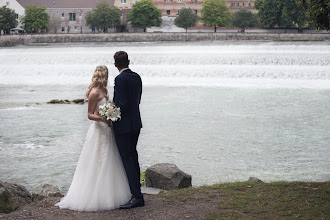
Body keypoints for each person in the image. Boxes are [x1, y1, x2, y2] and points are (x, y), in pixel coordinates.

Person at [55, 65, 131, 211]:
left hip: (107, 130)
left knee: (110, 159)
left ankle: (110, 193)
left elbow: (105, 109)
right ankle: (93, 196)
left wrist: (111, 115)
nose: (108, 77)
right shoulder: (94, 92)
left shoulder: (104, 91)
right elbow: (90, 114)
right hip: (99, 130)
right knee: (97, 161)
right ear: (103, 76)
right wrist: (104, 119)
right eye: (106, 74)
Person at [113, 51, 144, 209]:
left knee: (127, 160)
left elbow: (122, 104)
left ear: (115, 64)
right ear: (129, 61)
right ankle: (137, 193)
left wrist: (110, 114)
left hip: (124, 126)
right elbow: (137, 99)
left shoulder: (119, 79)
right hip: (136, 123)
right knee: (134, 157)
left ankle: (136, 196)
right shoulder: (137, 76)